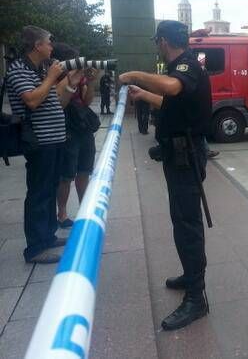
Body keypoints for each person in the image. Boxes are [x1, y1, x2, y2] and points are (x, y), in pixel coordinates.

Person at [119, 20, 211, 331]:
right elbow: (170, 101)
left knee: (187, 224)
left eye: (156, 41)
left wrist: (134, 75)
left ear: (162, 41)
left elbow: (171, 88)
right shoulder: (183, 67)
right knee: (181, 220)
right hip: (178, 155)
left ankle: (197, 298)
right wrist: (144, 93)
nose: (156, 45)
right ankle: (190, 275)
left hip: (186, 156)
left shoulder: (186, 66)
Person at [5, 26, 83, 263]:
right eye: (49, 42)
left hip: (54, 139)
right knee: (39, 192)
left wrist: (71, 81)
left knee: (49, 189)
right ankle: (35, 248)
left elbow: (57, 102)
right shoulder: (18, 69)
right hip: (39, 141)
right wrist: (50, 77)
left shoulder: (39, 70)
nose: (52, 45)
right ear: (37, 45)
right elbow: (32, 101)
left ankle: (47, 235)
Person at [53, 43, 98, 229]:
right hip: (67, 128)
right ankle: (62, 214)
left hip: (83, 126)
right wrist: (70, 80)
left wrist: (91, 81)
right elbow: (59, 102)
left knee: (84, 171)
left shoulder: (80, 77)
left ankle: (84, 210)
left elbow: (87, 101)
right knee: (66, 174)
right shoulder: (54, 76)